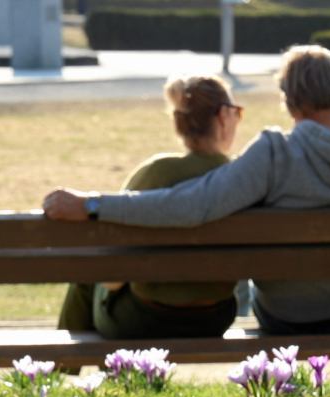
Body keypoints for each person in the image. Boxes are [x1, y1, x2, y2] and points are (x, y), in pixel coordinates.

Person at [43, 45, 330, 335]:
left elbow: (193, 205)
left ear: (288, 102)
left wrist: (94, 204)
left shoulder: (273, 155)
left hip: (284, 319)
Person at [56, 75, 245, 338]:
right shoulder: (241, 177)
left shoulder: (155, 173)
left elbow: (112, 279)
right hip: (214, 319)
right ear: (224, 116)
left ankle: (58, 374)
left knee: (87, 274)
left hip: (143, 320)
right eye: (237, 112)